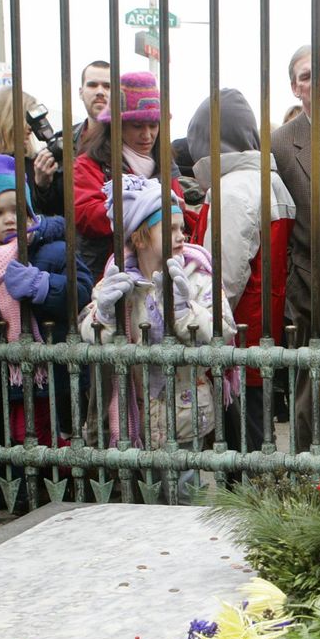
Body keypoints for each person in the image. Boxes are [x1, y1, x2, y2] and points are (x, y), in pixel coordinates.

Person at [79, 175, 236, 499]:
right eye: (171, 229)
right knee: (141, 497)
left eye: (182, 228)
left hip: (185, 409)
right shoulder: (119, 278)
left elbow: (222, 333)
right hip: (134, 413)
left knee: (184, 492)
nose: (182, 236)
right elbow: (91, 339)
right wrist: (104, 316)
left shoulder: (199, 274)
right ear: (139, 238)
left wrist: (182, 312)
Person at [0, 154, 92, 448]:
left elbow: (82, 289)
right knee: (14, 436)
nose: (9, 219)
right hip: (0, 374)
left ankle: (62, 479)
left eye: (16, 209)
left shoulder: (53, 247)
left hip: (51, 369)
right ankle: (25, 488)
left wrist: (42, 285)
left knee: (43, 434)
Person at [186, 89, 296, 454]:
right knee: (256, 437)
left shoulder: (231, 191)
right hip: (262, 327)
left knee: (239, 445)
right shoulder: (268, 179)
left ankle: (246, 506)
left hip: (236, 336)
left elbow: (223, 280)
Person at [273, 46, 320, 452]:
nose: (315, 83)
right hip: (307, 287)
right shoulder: (281, 144)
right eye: (305, 76)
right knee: (310, 391)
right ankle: (308, 475)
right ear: (294, 88)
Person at [72, 71, 196, 284]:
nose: (147, 135)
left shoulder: (167, 166)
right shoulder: (89, 164)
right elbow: (85, 216)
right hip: (108, 276)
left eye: (153, 126)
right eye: (137, 126)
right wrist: (144, 205)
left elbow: (178, 219)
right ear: (116, 126)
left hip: (160, 277)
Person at [0, 87, 63, 216]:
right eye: (29, 119)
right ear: (8, 117)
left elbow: (46, 212)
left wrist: (42, 186)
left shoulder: (35, 162)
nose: (32, 128)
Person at [72, 60, 110, 148]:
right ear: (81, 93)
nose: (100, 92)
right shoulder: (65, 139)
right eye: (92, 85)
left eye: (107, 86)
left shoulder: (132, 141)